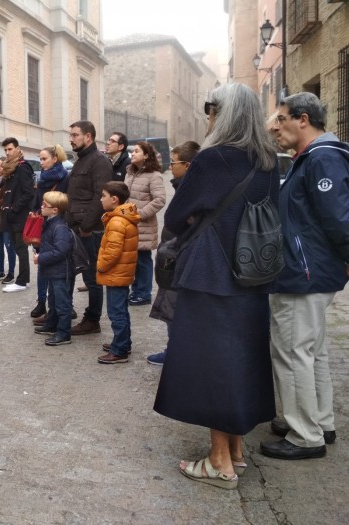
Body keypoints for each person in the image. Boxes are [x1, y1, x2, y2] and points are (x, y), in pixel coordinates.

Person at [153, 83, 279, 490]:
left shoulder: (212, 160)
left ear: (221, 114)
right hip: (253, 272)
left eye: (211, 109)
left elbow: (175, 217)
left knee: (211, 366)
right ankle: (237, 451)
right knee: (242, 360)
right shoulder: (268, 160)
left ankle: (219, 461)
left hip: (211, 273)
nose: (207, 115)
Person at [260, 92, 349, 460]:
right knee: (311, 351)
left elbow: (339, 218)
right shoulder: (314, 157)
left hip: (304, 272)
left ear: (303, 119)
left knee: (294, 352)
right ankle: (319, 421)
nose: (275, 127)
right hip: (309, 269)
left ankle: (304, 435)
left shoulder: (322, 158)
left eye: (281, 119)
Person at [146, 140, 200, 366]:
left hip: (182, 256)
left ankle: (178, 354)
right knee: (172, 308)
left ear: (187, 165)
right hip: (174, 254)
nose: (171, 164)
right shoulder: (183, 186)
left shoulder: (193, 189)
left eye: (174, 161)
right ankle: (176, 350)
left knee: (176, 309)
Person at [65, 121, 113, 334]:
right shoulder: (81, 160)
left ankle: (92, 320)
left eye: (75, 135)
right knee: (72, 272)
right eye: (71, 135)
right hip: (74, 227)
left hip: (88, 230)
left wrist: (86, 226)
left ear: (88, 137)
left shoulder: (99, 161)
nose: (71, 138)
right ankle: (63, 311)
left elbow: (99, 197)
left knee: (92, 277)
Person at [96, 181, 140, 364]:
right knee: (121, 310)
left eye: (103, 196)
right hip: (121, 272)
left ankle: (119, 349)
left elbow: (113, 251)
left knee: (116, 312)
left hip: (116, 273)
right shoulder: (121, 218)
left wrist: (101, 266)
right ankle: (123, 342)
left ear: (114, 199)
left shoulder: (116, 221)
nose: (100, 199)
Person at [124, 141, 166, 306]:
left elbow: (160, 200)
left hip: (143, 224)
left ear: (146, 155)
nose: (132, 154)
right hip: (129, 224)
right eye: (132, 151)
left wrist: (139, 214)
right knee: (133, 259)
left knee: (143, 259)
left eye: (136, 151)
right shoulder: (130, 172)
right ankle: (136, 291)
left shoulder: (154, 175)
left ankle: (143, 293)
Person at [30, 145, 69, 317]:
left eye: (44, 159)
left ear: (55, 159)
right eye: (40, 159)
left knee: (55, 264)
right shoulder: (42, 178)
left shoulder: (63, 178)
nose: (41, 162)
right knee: (41, 263)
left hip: (56, 225)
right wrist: (33, 213)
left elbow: (65, 202)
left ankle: (60, 306)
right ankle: (41, 302)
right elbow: (36, 199)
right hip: (41, 224)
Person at [32, 191, 74, 346]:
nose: (41, 207)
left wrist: (40, 258)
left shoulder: (60, 228)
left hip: (60, 271)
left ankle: (64, 333)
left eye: (45, 205)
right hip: (52, 270)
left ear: (55, 209)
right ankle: (51, 324)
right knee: (53, 300)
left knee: (62, 303)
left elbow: (60, 251)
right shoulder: (50, 222)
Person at [0, 138, 35, 292]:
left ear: (17, 149)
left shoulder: (22, 167)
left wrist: (14, 208)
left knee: (21, 248)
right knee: (17, 247)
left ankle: (21, 281)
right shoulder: (11, 168)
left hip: (19, 216)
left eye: (9, 149)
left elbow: (28, 193)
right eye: (5, 150)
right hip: (12, 215)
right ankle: (24, 279)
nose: (7, 153)